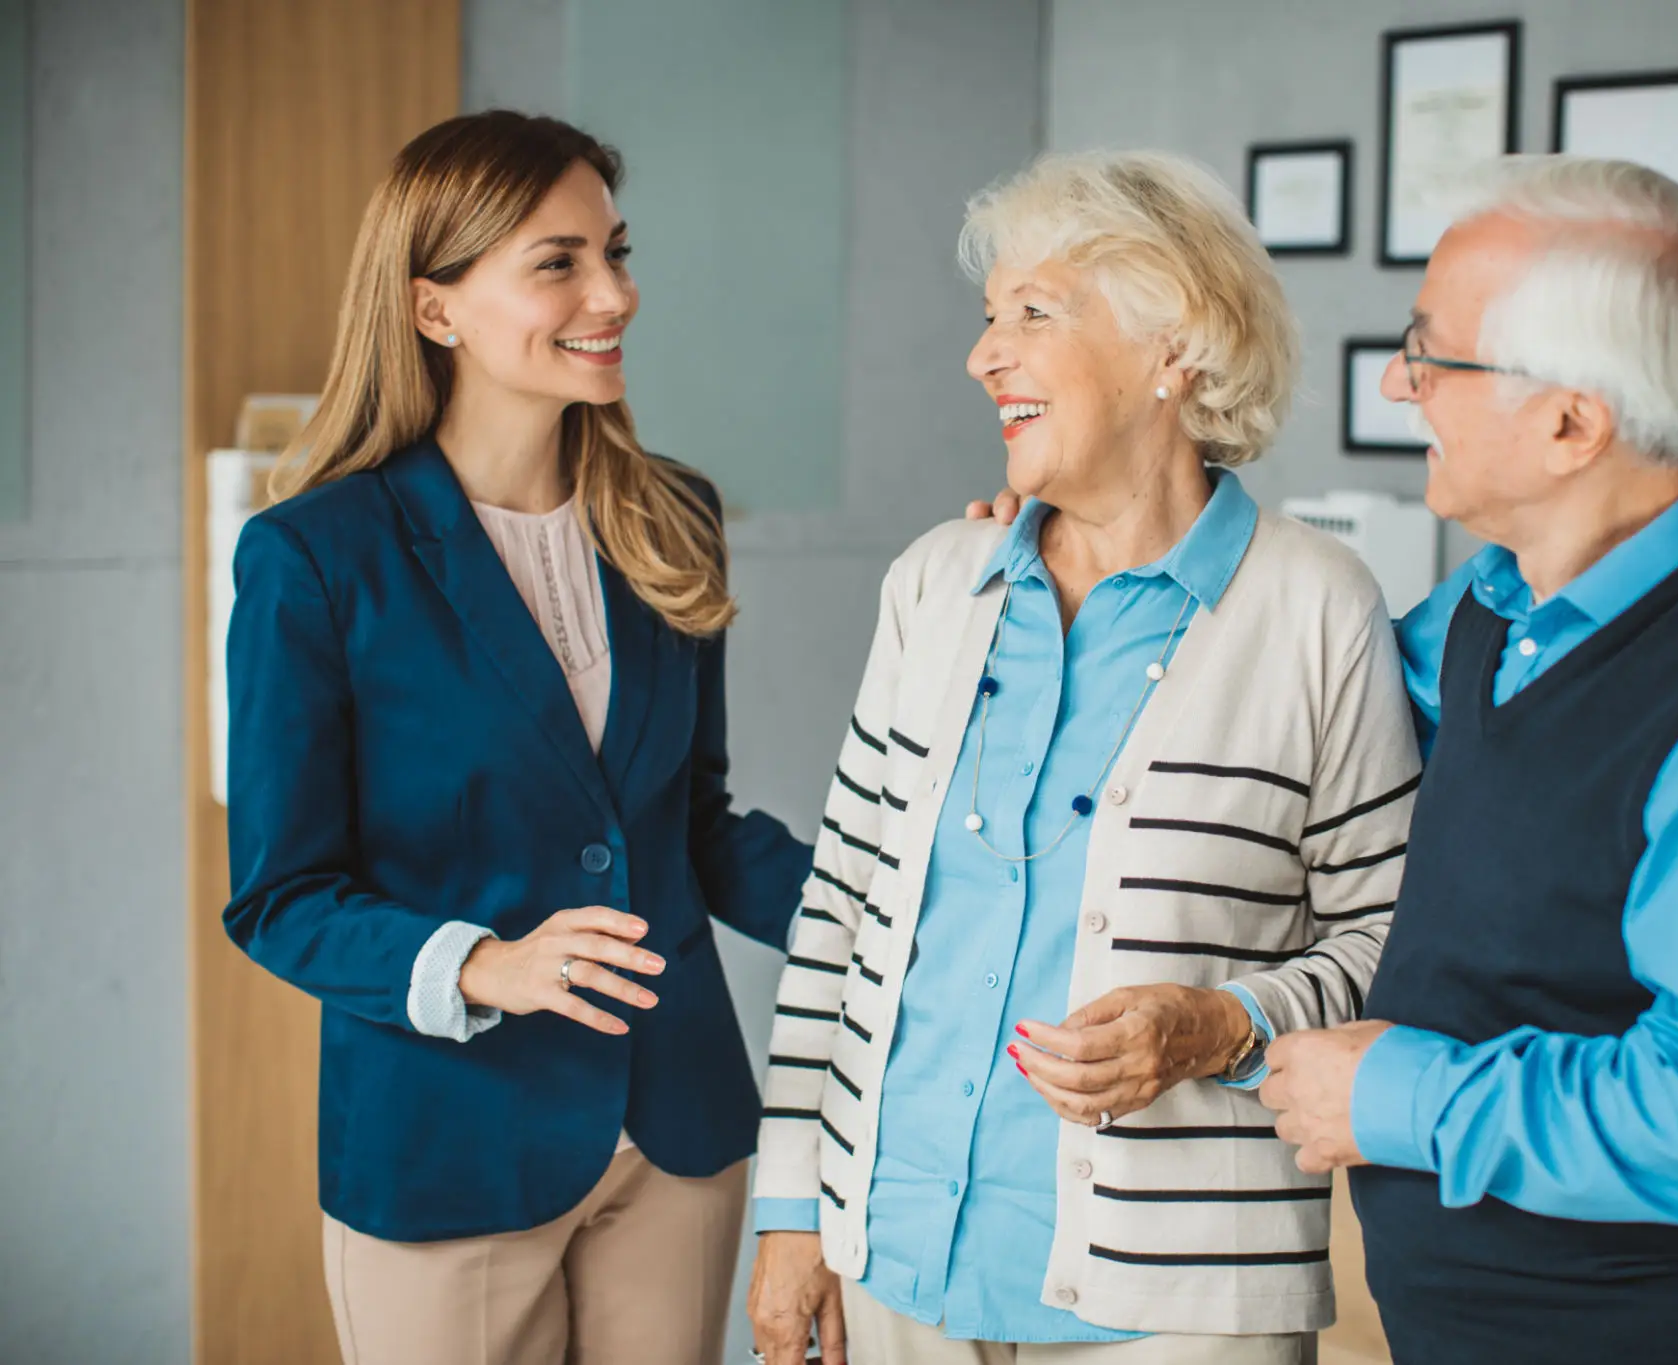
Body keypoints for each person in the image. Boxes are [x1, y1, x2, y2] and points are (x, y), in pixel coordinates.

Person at [745, 150, 1422, 1365]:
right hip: (892, 1253)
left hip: (1170, 1306)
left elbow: (1394, 940)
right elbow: (837, 914)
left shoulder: (1318, 608)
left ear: (1176, 349)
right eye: (987, 315)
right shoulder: (936, 584)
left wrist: (1221, 1024)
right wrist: (793, 1212)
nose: (983, 354)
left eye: (1032, 313)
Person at [1250, 156, 1678, 1364]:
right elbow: (1309, 712)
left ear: (1568, 421)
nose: (1400, 385)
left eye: (1430, 354)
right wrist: (1082, 547)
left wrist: (1402, 1098)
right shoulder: (1489, 602)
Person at [223, 111, 810, 1365]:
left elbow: (691, 828)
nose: (616, 293)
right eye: (559, 262)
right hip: (448, 1146)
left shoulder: (674, 519)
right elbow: (281, 895)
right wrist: (483, 965)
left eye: (615, 250)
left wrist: (899, 911)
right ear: (435, 309)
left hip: (677, 1129)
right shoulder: (316, 560)